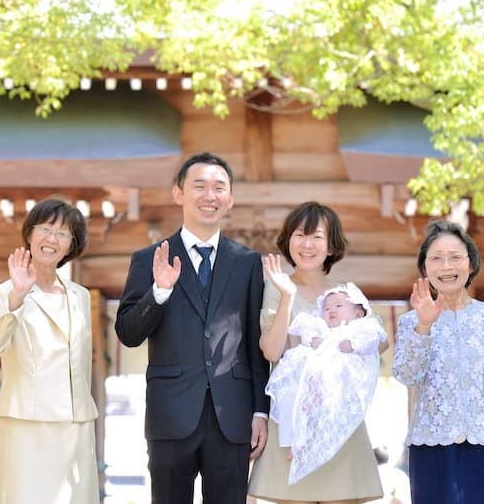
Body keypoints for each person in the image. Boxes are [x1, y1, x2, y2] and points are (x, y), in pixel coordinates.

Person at [114, 151, 270, 504]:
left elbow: (255, 345)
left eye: (219, 188)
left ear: (230, 199)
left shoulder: (248, 263)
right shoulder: (149, 259)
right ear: (179, 194)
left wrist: (261, 410)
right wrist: (160, 291)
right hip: (171, 414)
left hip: (232, 416)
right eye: (199, 186)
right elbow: (127, 333)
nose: (209, 196)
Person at [248, 201, 385, 504]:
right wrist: (287, 297)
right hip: (294, 422)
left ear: (332, 246)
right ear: (288, 240)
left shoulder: (346, 292)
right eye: (299, 235)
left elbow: (379, 339)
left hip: (339, 421)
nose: (307, 244)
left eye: (317, 237)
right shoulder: (274, 288)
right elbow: (271, 351)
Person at [392, 219, 484, 504]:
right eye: (437, 258)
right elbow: (407, 375)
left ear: (470, 265)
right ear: (425, 268)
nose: (446, 266)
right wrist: (424, 327)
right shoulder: (411, 322)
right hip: (430, 447)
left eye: (455, 257)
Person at [0, 196, 98, 504]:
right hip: (28, 423)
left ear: (71, 245)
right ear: (29, 235)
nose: (51, 239)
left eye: (62, 233)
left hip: (76, 424)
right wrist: (17, 295)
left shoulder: (80, 296)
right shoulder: (4, 292)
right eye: (45, 228)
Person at [265, 282, 387, 484]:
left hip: (339, 384)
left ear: (359, 312)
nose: (331, 310)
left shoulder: (363, 327)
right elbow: (310, 339)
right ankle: (297, 444)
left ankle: (307, 445)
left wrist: (352, 344)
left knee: (325, 416)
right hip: (313, 381)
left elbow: (372, 340)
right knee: (293, 403)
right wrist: (318, 341)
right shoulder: (321, 328)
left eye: (339, 306)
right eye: (328, 308)